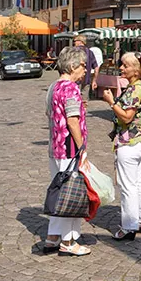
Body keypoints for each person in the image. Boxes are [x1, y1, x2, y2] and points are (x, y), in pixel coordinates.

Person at [102, 52, 141, 242]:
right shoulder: (139, 86)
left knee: (127, 186)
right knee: (139, 180)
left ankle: (129, 226)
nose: (121, 68)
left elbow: (126, 117)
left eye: (125, 66)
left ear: (136, 69)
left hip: (129, 141)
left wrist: (111, 102)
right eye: (122, 65)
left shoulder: (135, 89)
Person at [44, 46, 90, 256]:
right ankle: (69, 240)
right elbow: (72, 121)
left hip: (55, 145)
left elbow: (51, 113)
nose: (85, 70)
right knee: (71, 195)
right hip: (69, 147)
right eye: (82, 66)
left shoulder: (54, 86)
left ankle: (53, 236)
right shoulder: (71, 88)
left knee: (59, 192)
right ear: (72, 66)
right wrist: (82, 148)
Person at [73, 35, 99, 100]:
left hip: (75, 79)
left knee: (75, 99)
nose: (74, 43)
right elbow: (96, 68)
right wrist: (94, 80)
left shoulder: (73, 51)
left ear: (80, 41)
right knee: (84, 101)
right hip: (86, 80)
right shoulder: (90, 52)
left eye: (75, 41)